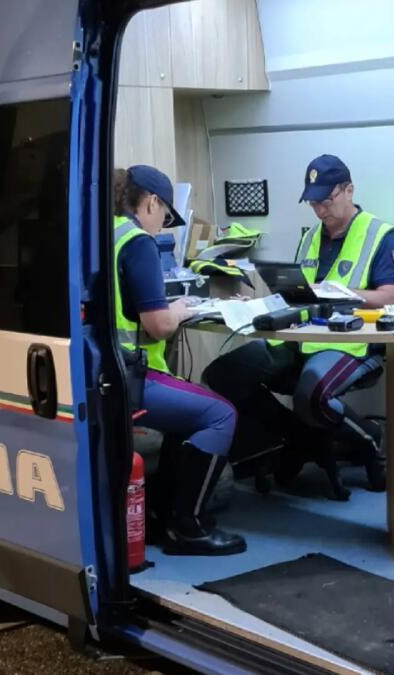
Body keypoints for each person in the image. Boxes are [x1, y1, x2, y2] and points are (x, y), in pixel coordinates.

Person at [203, 154, 394, 494]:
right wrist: (257, 304)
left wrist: (341, 293)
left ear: (348, 190)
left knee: (312, 395)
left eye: (326, 201)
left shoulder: (380, 235)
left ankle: (370, 439)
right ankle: (296, 436)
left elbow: (391, 297)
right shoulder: (311, 237)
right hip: (299, 338)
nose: (319, 210)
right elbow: (297, 292)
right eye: (313, 203)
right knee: (223, 375)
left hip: (349, 343)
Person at [111, 165, 246, 556]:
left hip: (108, 370)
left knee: (187, 415)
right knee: (221, 414)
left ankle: (161, 515)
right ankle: (188, 526)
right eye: (166, 217)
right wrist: (181, 309)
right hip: (133, 376)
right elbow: (158, 325)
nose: (163, 227)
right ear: (152, 202)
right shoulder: (138, 242)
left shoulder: (108, 233)